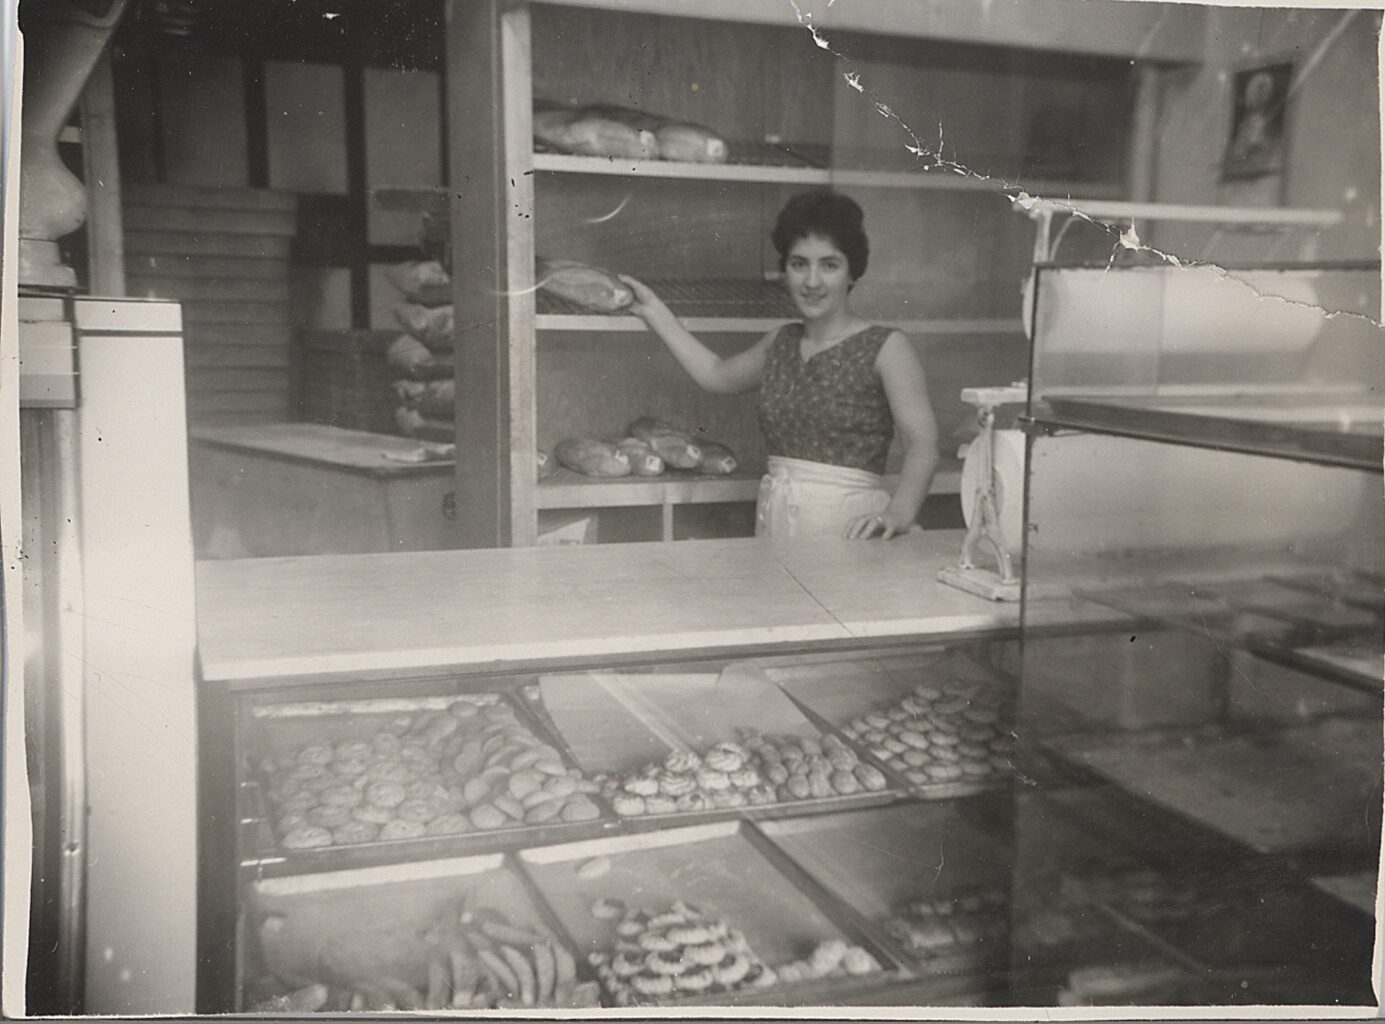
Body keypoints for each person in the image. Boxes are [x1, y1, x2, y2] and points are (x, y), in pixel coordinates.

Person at [620, 189, 938, 540]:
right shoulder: (780, 342)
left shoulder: (887, 347)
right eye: (799, 264)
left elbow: (922, 445)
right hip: (777, 524)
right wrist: (654, 311)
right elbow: (715, 375)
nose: (812, 281)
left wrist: (898, 514)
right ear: (785, 271)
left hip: (853, 532)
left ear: (852, 272)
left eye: (829, 265)